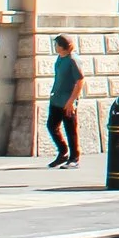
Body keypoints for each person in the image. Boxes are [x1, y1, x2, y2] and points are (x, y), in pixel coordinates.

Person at [45, 35, 84, 169]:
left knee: (70, 130)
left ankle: (74, 158)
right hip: (56, 98)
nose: (55, 46)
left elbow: (80, 81)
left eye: (56, 44)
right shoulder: (60, 58)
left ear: (62, 46)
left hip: (67, 101)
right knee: (51, 126)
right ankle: (63, 152)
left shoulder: (73, 60)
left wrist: (72, 101)